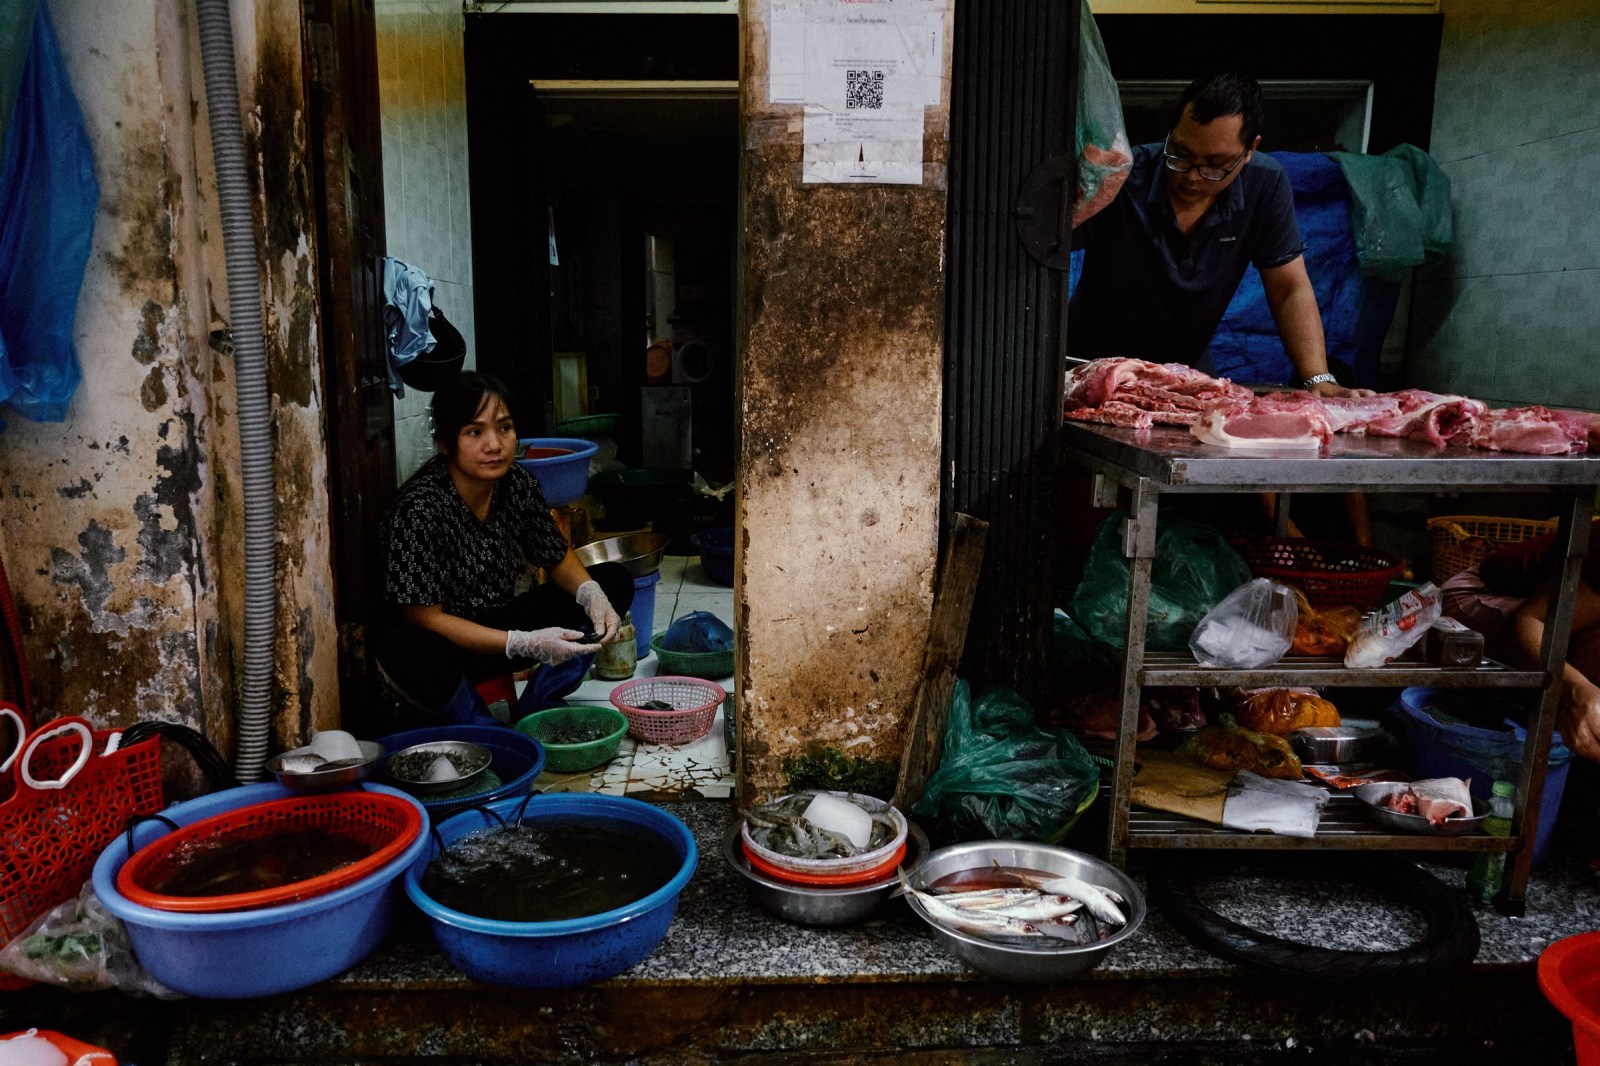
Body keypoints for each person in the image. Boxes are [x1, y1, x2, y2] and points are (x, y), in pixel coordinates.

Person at [1069, 71, 1369, 401]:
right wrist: (1079, 195)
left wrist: (1317, 377)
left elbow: (1288, 288)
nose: (1192, 177)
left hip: (1184, 375)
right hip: (1092, 368)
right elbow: (1047, 244)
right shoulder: (1123, 177)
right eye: (1181, 155)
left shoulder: (1264, 185)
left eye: (1215, 165)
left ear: (1250, 149)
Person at [376, 371, 634, 726]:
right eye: (475, 432)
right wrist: (519, 643)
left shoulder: (516, 484)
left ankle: (539, 707)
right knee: (407, 647)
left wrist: (593, 596)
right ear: (445, 443)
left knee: (614, 581)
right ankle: (483, 728)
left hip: (497, 628)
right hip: (445, 648)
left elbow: (555, 555)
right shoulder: (419, 509)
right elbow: (425, 617)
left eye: (504, 428)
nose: (494, 444)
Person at [1442, 524, 1600, 764]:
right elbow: (1531, 621)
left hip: (1547, 611)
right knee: (1589, 662)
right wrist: (1576, 688)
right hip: (1473, 598)